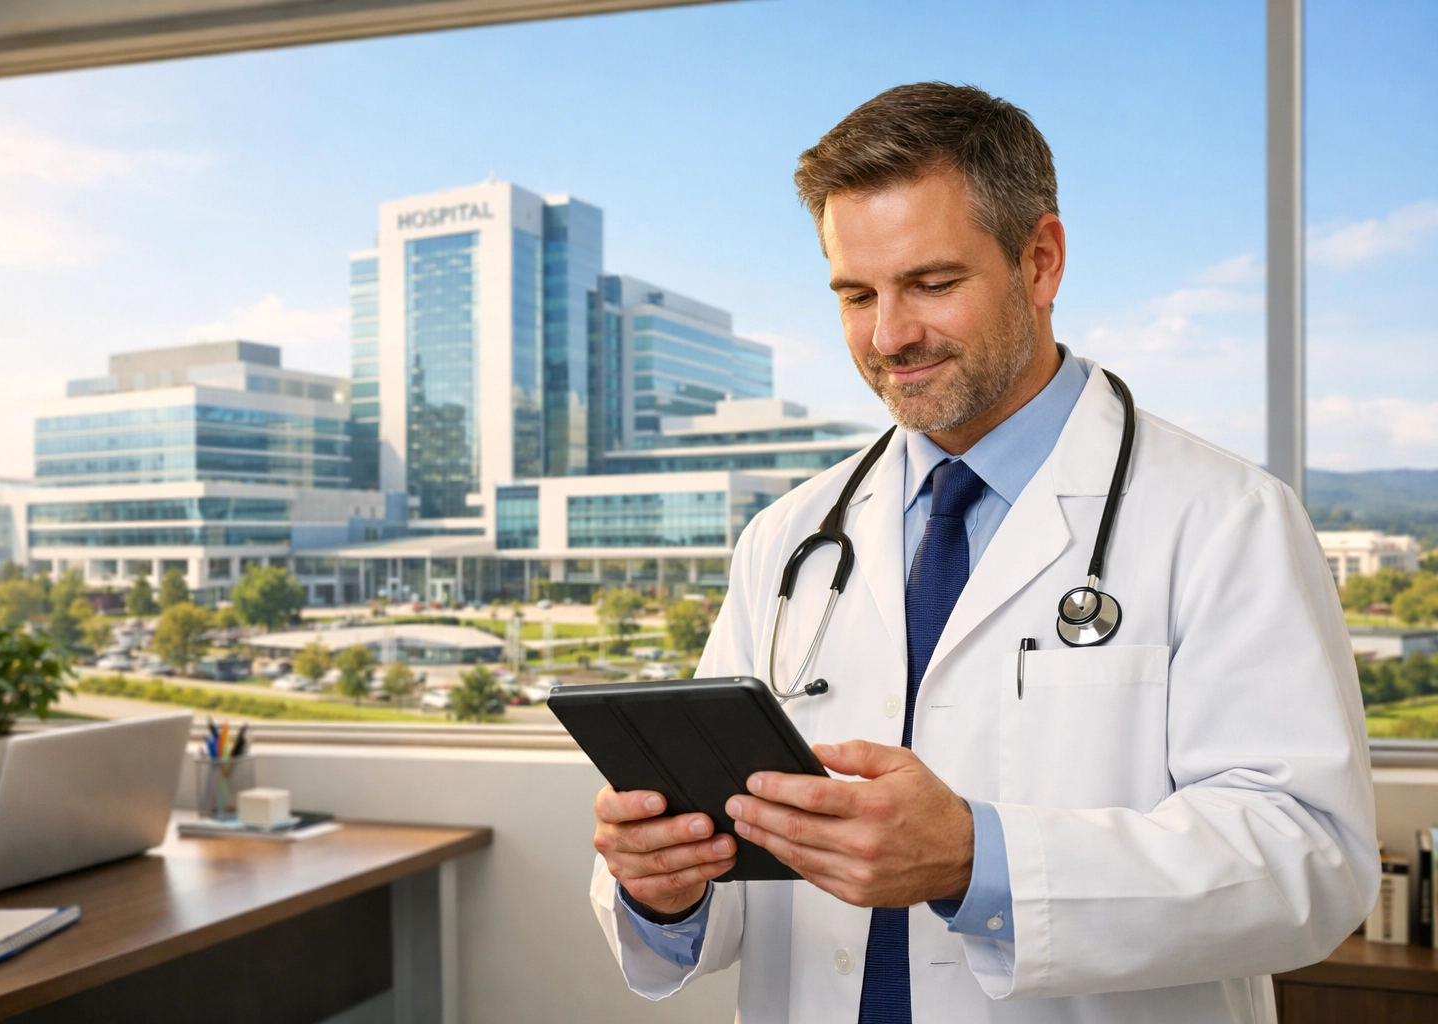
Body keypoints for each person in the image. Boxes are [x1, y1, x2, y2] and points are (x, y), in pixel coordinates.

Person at [588, 83, 1378, 1023]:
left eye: (932, 284)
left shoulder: (1224, 517)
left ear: (1040, 261)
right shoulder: (790, 538)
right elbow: (723, 877)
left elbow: (1310, 862)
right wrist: (664, 887)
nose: (890, 336)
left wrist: (977, 860)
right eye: (855, 294)